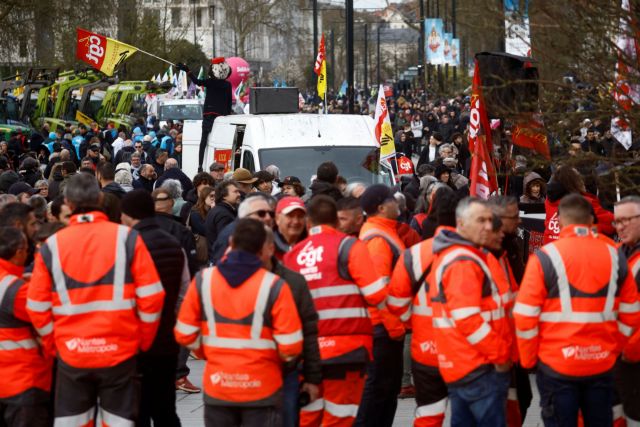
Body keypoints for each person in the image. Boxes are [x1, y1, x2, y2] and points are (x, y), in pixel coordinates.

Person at [27, 173, 165, 426]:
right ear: (101, 198)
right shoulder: (127, 237)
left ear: (67, 203)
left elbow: (36, 305)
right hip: (119, 351)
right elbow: (152, 296)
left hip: (72, 352)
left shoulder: (52, 245)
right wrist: (140, 340)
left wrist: (53, 344)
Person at [515, 194, 640, 426]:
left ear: (560, 222)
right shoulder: (615, 254)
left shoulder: (545, 257)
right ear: (591, 220)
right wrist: (614, 348)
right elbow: (631, 313)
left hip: (557, 366)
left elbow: (524, 317)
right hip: (602, 364)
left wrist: (530, 360)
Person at [175, 218, 303, 427]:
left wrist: (208, 353)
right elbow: (291, 346)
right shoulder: (275, 286)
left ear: (231, 242)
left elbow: (184, 333)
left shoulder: (204, 280)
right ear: (266, 249)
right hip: (262, 386)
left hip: (219, 384)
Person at [284, 195, 388, 427]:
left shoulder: (292, 256)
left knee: (308, 417)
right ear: (336, 220)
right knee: (340, 418)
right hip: (347, 351)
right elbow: (376, 295)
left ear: (309, 223)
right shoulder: (349, 246)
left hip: (306, 354)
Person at [428, 197, 513, 426]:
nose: (488, 226)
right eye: (480, 220)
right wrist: (501, 355)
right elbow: (468, 320)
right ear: (461, 224)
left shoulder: (459, 254)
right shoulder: (463, 261)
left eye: (489, 220)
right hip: (478, 366)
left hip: (464, 364)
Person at [119, 190, 186, 427]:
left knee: (138, 411)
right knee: (165, 408)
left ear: (127, 214)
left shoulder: (126, 246)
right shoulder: (173, 243)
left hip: (135, 340)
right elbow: (182, 292)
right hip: (166, 338)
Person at [356, 184, 406, 427]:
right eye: (392, 200)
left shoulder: (383, 232)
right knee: (377, 394)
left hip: (385, 328)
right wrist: (395, 327)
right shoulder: (377, 239)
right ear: (381, 207)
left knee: (384, 394)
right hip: (382, 329)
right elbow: (377, 291)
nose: (398, 203)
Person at [261, 227, 321, 427]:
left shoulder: (292, 281)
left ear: (270, 249)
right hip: (241, 376)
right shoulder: (230, 281)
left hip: (285, 373)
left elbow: (309, 331)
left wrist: (312, 378)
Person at [0, 227, 52, 427]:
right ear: (19, 251)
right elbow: (47, 313)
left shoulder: (13, 284)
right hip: (22, 378)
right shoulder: (15, 289)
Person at [613, 196, 640, 425]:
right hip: (620, 357)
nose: (620, 226)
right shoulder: (617, 253)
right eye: (617, 221)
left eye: (626, 220)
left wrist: (629, 350)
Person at [178, 58, 232, 171]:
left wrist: (187, 70)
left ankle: (200, 165)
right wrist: (228, 115)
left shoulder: (210, 82)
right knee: (221, 140)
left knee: (203, 141)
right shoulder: (227, 85)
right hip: (221, 115)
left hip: (209, 113)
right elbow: (228, 102)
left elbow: (197, 81)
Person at [543, 165, 614, 243]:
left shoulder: (549, 201)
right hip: (577, 247)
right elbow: (611, 223)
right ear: (575, 182)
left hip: (550, 248)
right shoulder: (584, 202)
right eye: (579, 177)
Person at [205, 180, 242, 257]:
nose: (239, 194)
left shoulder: (218, 210)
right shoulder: (224, 214)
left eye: (239, 192)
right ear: (224, 195)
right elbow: (225, 241)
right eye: (235, 192)